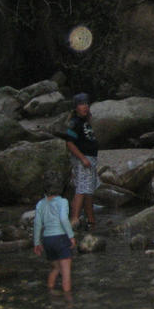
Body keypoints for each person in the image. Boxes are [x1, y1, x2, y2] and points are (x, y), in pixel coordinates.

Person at [33, 173, 76, 293]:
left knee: (56, 268)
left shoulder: (40, 204)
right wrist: (71, 236)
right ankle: (68, 301)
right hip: (60, 238)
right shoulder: (63, 202)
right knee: (66, 273)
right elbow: (63, 219)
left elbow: (37, 224)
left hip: (47, 240)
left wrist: (37, 242)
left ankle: (50, 292)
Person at [65, 92, 100, 229]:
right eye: (81, 104)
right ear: (75, 107)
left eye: (86, 104)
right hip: (83, 159)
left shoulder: (85, 121)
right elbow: (69, 142)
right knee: (82, 189)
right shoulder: (74, 123)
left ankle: (91, 220)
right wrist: (83, 158)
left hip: (90, 158)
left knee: (89, 189)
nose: (84, 107)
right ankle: (74, 219)